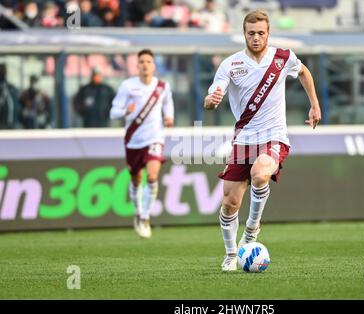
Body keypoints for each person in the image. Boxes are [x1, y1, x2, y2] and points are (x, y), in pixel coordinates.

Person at [203, 10, 321, 271]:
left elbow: (303, 72)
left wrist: (314, 105)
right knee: (230, 203)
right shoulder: (230, 64)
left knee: (260, 174)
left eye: (261, 33)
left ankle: (252, 228)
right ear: (244, 34)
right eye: (251, 33)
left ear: (268, 33)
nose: (256, 38)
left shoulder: (282, 57)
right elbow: (213, 94)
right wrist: (210, 101)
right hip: (244, 138)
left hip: (274, 135)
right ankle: (231, 254)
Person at [110, 49, 174, 238]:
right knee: (136, 179)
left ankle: (145, 216)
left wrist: (169, 117)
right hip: (134, 140)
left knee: (153, 175)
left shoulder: (162, 86)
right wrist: (125, 111)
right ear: (137, 65)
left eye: (148, 61)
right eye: (142, 61)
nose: (145, 64)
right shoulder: (128, 86)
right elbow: (113, 112)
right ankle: (138, 213)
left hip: (155, 138)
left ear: (153, 65)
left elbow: (168, 103)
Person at [0, 63, 19, 129]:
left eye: (4, 70)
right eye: (2, 70)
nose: (4, 72)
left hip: (12, 121)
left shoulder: (9, 86)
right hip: (2, 122)